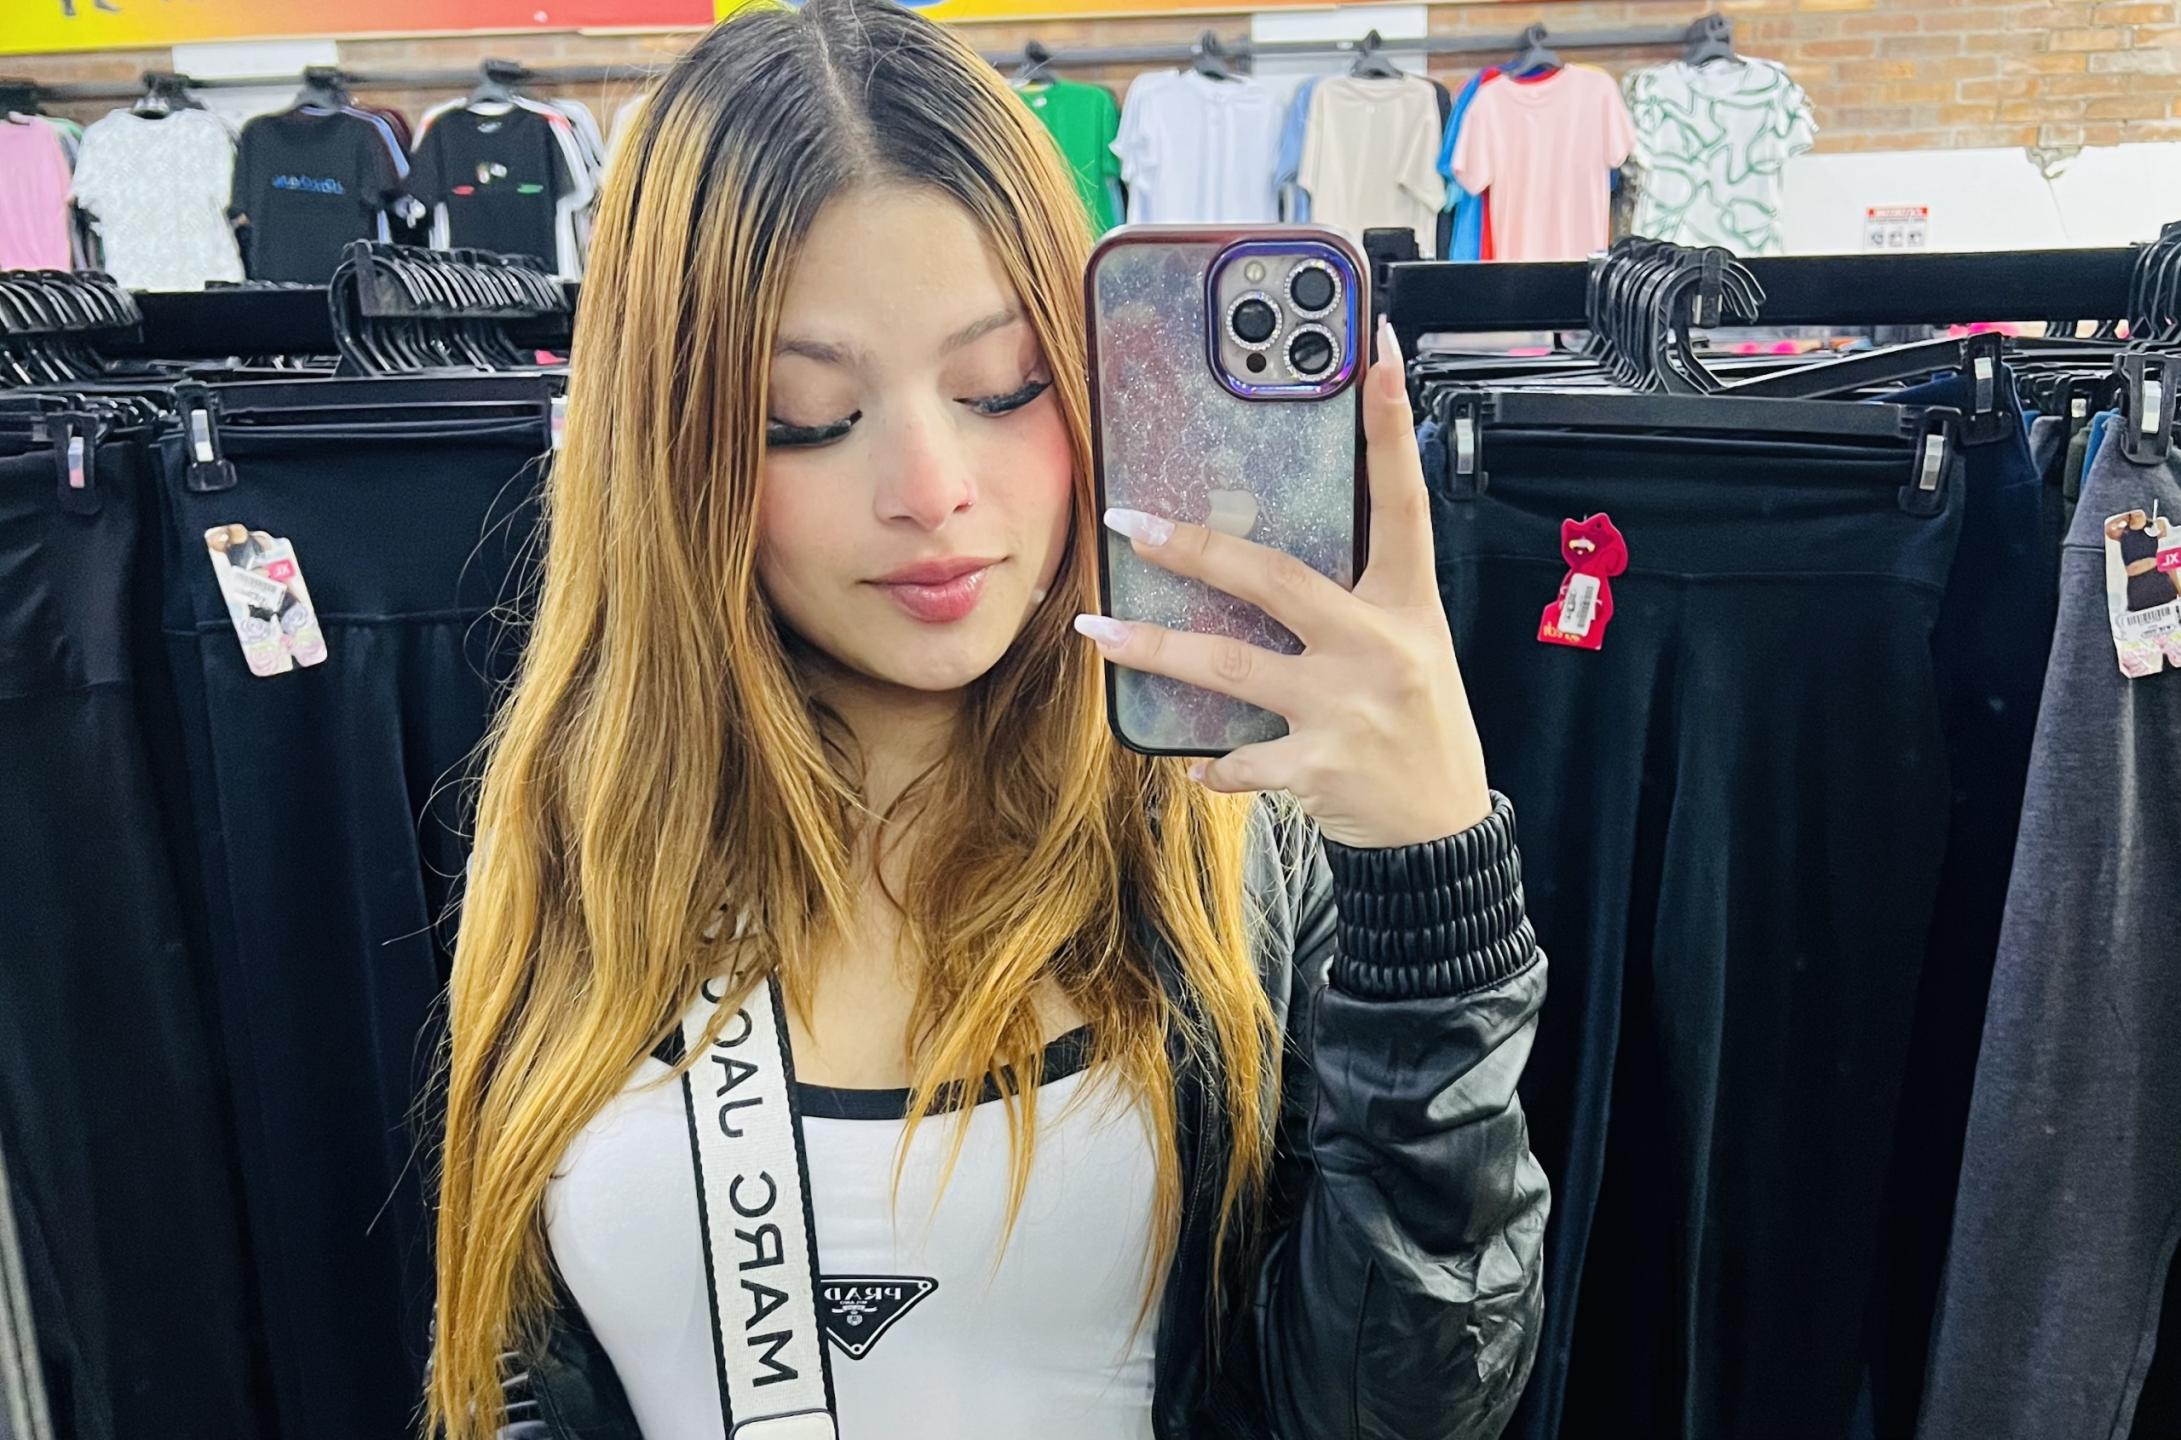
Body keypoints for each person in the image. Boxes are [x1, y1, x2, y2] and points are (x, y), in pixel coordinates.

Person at [423, 1, 1548, 1437]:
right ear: (669, 445)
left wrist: (1430, 888)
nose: (931, 489)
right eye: (802, 415)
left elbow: (1402, 1407)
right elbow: (521, 1362)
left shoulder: (1230, 839)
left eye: (1002, 388)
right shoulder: (577, 825)